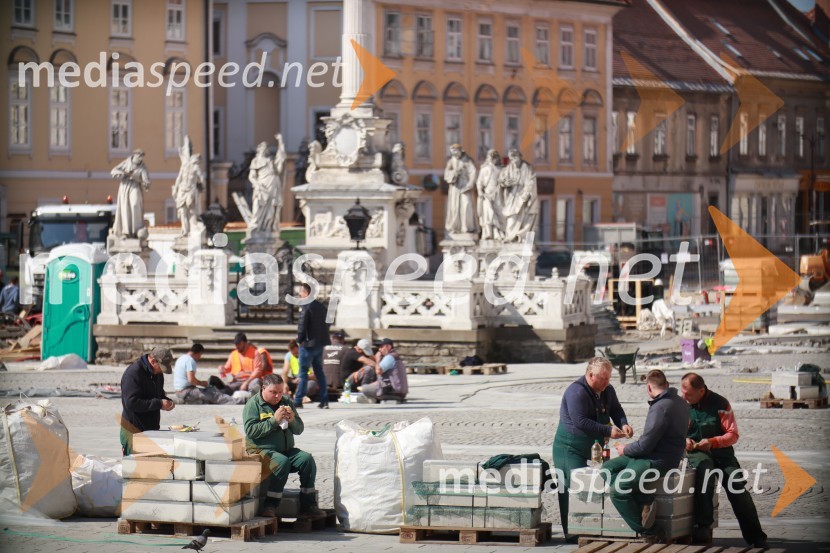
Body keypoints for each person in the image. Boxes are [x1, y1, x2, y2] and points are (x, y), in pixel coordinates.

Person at [681, 373, 768, 548]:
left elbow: (733, 434)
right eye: (683, 392)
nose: (684, 397)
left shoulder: (721, 403)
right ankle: (703, 527)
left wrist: (713, 442)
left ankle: (756, 536)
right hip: (697, 452)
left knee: (738, 489)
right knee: (703, 478)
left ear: (701, 391)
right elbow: (675, 432)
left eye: (688, 393)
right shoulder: (681, 404)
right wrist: (685, 440)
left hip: (722, 452)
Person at [602, 370, 690, 542]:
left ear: (649, 387)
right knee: (607, 468)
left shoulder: (660, 407)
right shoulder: (680, 402)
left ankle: (649, 531)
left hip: (656, 459)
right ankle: (644, 500)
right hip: (654, 454)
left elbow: (645, 445)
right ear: (666, 384)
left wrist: (625, 449)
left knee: (618, 492)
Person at [552, 357, 633, 540]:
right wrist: (608, 430)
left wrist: (624, 423)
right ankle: (571, 532)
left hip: (594, 445)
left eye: (608, 378)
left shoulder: (607, 390)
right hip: (569, 447)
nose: (606, 382)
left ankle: (594, 526)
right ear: (590, 375)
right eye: (603, 378)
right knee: (571, 487)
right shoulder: (576, 392)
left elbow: (616, 410)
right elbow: (580, 422)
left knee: (596, 484)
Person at [243, 373, 324, 517]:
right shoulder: (253, 405)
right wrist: (274, 421)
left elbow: (299, 430)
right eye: (273, 392)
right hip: (260, 450)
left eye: (280, 392)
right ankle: (270, 505)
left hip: (285, 450)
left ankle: (308, 504)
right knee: (282, 462)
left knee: (307, 460)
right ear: (263, 388)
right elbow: (251, 431)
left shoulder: (286, 402)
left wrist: (292, 420)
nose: (277, 396)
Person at [120, 347, 175, 456]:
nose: (161, 371)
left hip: (151, 429)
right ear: (153, 361)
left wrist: (166, 401)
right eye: (161, 367)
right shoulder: (133, 374)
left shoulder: (157, 373)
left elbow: (158, 394)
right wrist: (159, 403)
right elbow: (131, 403)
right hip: (133, 431)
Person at [294, 283, 330, 409]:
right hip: (319, 344)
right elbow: (327, 324)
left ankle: (298, 399)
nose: (299, 294)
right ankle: (324, 400)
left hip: (307, 344)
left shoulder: (306, 306)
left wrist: (299, 339)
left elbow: (302, 325)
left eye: (301, 292)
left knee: (303, 373)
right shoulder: (321, 307)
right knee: (319, 371)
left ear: (307, 293)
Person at [174, 343, 243, 405]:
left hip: (179, 392)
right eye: (200, 355)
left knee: (207, 396)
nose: (199, 357)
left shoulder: (181, 358)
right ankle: (239, 401)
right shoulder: (190, 361)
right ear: (199, 353)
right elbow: (191, 380)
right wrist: (202, 383)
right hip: (187, 392)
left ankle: (197, 401)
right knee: (214, 394)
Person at [111, 149, 151, 239]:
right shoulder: (126, 163)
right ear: (135, 155)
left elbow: (146, 181)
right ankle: (126, 232)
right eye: (139, 156)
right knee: (125, 208)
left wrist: (145, 183)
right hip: (125, 187)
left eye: (142, 157)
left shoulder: (142, 167)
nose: (141, 158)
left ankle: (136, 230)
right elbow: (114, 171)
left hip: (135, 186)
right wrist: (123, 173)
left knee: (135, 204)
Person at [443, 144, 478, 235]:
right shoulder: (451, 161)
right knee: (454, 207)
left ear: (460, 150)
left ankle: (467, 227)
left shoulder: (467, 160)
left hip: (465, 185)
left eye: (455, 151)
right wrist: (453, 173)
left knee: (466, 205)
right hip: (455, 187)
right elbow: (446, 174)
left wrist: (470, 183)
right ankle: (455, 227)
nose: (454, 153)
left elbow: (473, 172)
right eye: (452, 151)